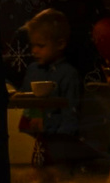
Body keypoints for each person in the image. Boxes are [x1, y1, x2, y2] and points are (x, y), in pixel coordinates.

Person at [18, 9, 95, 168]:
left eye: (41, 46)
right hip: (30, 144)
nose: (34, 51)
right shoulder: (33, 70)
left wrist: (57, 141)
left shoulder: (68, 75)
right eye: (33, 45)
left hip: (59, 150)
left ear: (60, 44)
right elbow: (26, 106)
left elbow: (71, 118)